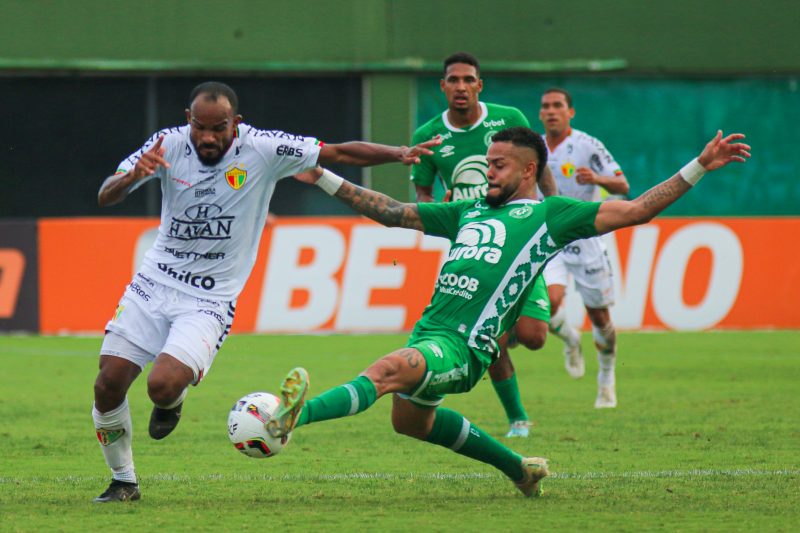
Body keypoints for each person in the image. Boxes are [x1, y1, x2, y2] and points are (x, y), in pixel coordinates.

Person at [283, 126, 749, 497]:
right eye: (487, 163)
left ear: (528, 171)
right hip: (430, 333)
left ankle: (290, 419)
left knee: (385, 371)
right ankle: (520, 470)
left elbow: (637, 210)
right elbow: (391, 211)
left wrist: (700, 166)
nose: (488, 172)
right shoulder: (467, 212)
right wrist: (324, 176)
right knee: (411, 423)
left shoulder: (552, 216)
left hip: (467, 348)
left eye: (498, 165)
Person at [91, 81, 440, 503]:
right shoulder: (167, 143)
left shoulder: (264, 149)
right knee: (108, 383)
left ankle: (173, 398)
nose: (207, 137)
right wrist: (132, 176)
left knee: (161, 386)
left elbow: (338, 152)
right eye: (199, 127)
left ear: (235, 123)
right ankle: (124, 480)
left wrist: (397, 153)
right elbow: (106, 193)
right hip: (153, 283)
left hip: (210, 299)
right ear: (188, 120)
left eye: (218, 128)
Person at [411, 52, 558, 438]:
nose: (461, 87)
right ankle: (518, 419)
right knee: (488, 336)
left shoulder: (510, 119)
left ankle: (538, 324)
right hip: (478, 247)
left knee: (534, 337)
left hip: (521, 239)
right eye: (453, 80)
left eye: (468, 80)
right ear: (443, 86)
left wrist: (555, 213)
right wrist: (437, 210)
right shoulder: (427, 136)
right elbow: (422, 195)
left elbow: (540, 169)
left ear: (480, 85)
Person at [538, 87, 630, 408]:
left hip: (586, 237)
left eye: (558, 106)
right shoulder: (533, 148)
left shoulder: (587, 146)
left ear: (570, 112)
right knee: (547, 303)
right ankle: (570, 339)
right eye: (546, 106)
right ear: (540, 113)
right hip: (550, 238)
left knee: (600, 317)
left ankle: (606, 378)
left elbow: (623, 184)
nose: (551, 111)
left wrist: (597, 179)